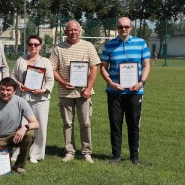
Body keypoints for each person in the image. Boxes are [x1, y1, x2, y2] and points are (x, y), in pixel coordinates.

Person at [100, 17, 151, 165]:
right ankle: (116, 155)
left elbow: (146, 64)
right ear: (117, 28)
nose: (124, 29)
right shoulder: (109, 45)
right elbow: (103, 67)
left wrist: (142, 82)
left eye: (126, 27)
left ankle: (134, 157)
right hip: (114, 92)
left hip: (135, 92)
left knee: (134, 125)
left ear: (131, 28)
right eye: (121, 27)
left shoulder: (140, 43)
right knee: (115, 125)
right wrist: (111, 83)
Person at [49, 20, 100, 163]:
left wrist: (89, 88)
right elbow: (52, 69)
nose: (73, 32)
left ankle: (86, 152)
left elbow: (94, 68)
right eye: (70, 30)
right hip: (65, 92)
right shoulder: (58, 48)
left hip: (84, 92)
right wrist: (63, 82)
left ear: (80, 31)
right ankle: (70, 151)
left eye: (75, 30)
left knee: (85, 123)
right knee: (67, 123)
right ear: (65, 32)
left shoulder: (88, 46)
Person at [0, 78, 39, 175]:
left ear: (14, 91)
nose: (5, 92)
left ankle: (20, 166)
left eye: (8, 90)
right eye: (2, 89)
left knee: (29, 135)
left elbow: (35, 123)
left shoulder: (21, 102)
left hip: (15, 136)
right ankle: (1, 164)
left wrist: (24, 128)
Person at [13, 35, 54, 164]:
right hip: (23, 98)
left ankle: (36, 154)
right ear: (27, 45)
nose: (33, 46)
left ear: (40, 46)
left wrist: (43, 90)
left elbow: (50, 80)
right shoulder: (20, 60)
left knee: (40, 127)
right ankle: (17, 152)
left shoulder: (45, 61)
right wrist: (17, 83)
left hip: (40, 99)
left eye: (36, 44)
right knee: (20, 125)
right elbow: (13, 75)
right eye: (30, 44)